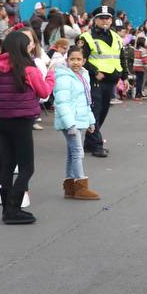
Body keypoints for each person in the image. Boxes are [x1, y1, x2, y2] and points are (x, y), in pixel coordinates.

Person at [0, 31, 55, 224]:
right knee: (27, 167)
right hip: (23, 121)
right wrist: (50, 76)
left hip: (3, 121)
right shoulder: (29, 69)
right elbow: (44, 92)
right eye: (28, 45)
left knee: (7, 166)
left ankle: (6, 208)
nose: (31, 48)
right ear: (22, 47)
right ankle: (14, 208)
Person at [53, 45, 100, 201]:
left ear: (84, 61)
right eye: (72, 59)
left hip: (80, 119)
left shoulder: (83, 75)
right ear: (67, 60)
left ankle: (70, 187)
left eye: (79, 59)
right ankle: (81, 186)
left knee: (72, 153)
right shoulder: (64, 77)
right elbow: (62, 102)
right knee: (78, 152)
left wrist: (91, 121)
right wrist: (70, 124)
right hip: (71, 121)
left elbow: (85, 101)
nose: (76, 62)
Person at [78, 5, 120, 157]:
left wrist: (124, 76)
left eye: (107, 18)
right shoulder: (86, 37)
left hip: (111, 80)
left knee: (102, 113)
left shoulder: (115, 37)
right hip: (95, 80)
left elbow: (120, 57)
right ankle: (97, 144)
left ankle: (89, 142)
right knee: (95, 113)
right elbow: (80, 59)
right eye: (101, 18)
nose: (105, 21)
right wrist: (94, 71)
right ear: (95, 20)